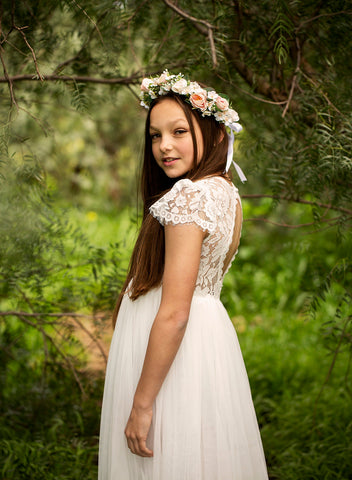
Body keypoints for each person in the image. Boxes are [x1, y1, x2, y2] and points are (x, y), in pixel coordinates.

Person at [98, 70, 268, 480]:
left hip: (173, 355)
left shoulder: (191, 196)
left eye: (178, 131)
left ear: (211, 133)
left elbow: (174, 312)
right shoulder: (225, 192)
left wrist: (142, 403)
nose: (164, 146)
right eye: (155, 135)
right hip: (206, 345)